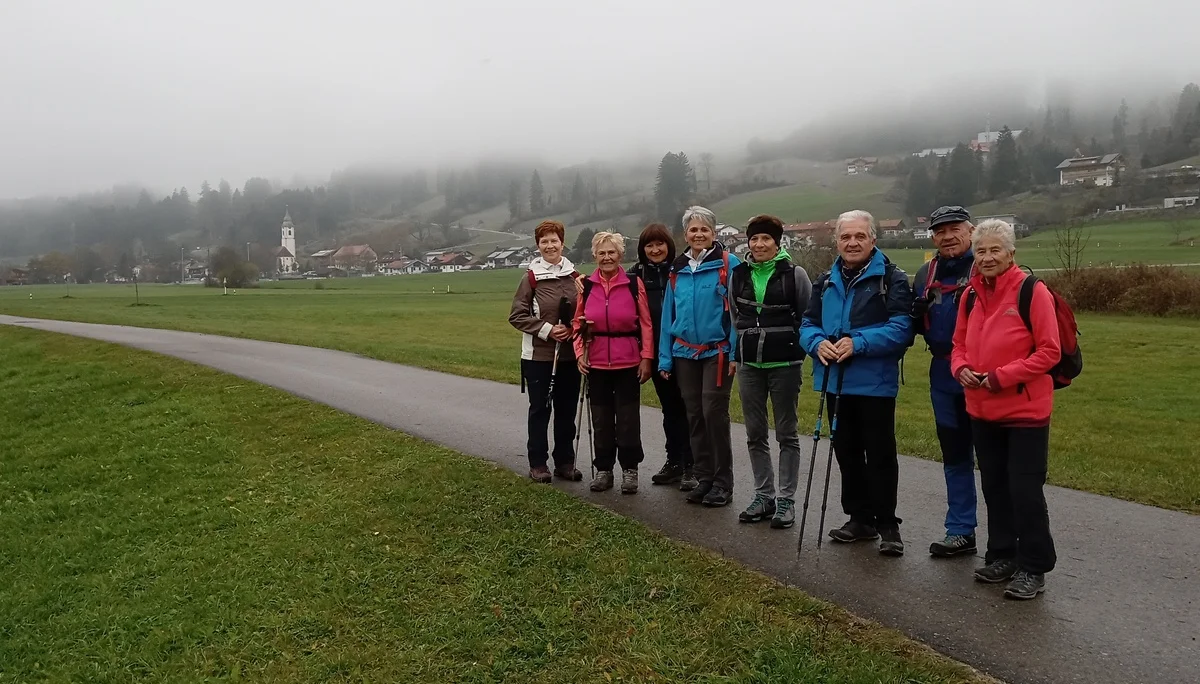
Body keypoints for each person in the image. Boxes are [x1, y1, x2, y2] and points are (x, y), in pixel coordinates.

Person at [951, 218, 1061, 600]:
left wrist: (1000, 376)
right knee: (995, 486)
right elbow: (958, 344)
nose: (987, 257)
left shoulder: (1032, 291)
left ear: (1012, 253)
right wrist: (961, 368)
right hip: (981, 409)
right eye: (980, 251)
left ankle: (1034, 566)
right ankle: (1002, 554)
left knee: (1025, 489)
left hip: (1025, 411)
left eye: (995, 250)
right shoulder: (969, 295)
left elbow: (1050, 351)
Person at [800, 210, 913, 556]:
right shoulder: (824, 280)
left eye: (860, 236)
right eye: (846, 237)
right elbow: (807, 323)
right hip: (835, 382)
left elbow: (902, 329)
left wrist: (858, 343)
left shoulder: (891, 278)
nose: (852, 243)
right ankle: (859, 518)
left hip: (874, 383)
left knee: (879, 454)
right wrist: (817, 343)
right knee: (846, 452)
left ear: (873, 240)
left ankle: (888, 524)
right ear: (837, 241)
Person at [729, 214, 812, 529]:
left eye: (766, 239)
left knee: (787, 434)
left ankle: (786, 500)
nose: (759, 244)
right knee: (754, 434)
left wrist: (798, 352)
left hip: (785, 365)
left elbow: (806, 315)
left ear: (777, 243)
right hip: (750, 365)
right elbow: (737, 318)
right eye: (754, 239)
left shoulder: (795, 274)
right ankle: (764, 496)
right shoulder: (737, 274)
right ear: (747, 242)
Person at [658, 205, 741, 507]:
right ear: (685, 234)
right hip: (684, 354)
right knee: (693, 415)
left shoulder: (728, 265)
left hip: (717, 353)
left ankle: (722, 482)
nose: (699, 234)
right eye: (693, 229)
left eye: (704, 229)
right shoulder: (677, 270)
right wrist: (665, 358)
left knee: (713, 414)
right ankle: (704, 477)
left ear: (714, 233)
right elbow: (669, 315)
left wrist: (734, 351)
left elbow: (738, 312)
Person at [912, 206, 979, 557]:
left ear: (971, 230)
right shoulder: (926, 273)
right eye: (940, 231)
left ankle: (1004, 540)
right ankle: (960, 530)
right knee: (954, 455)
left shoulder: (986, 265)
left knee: (996, 459)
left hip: (983, 377)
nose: (948, 236)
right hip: (942, 374)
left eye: (955, 229)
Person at [573, 231, 655, 494]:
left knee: (629, 420)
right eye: (601, 253)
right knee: (602, 419)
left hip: (628, 361)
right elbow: (578, 323)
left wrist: (647, 357)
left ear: (621, 255)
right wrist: (578, 354)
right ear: (594, 256)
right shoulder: (586, 286)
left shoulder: (633, 284)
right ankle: (604, 470)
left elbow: (646, 324)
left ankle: (630, 470)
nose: (607, 257)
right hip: (595, 362)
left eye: (612, 253)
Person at [508, 219, 584, 483]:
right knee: (540, 410)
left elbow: (584, 311)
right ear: (538, 245)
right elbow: (517, 316)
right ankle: (538, 463)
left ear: (562, 243)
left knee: (567, 410)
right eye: (544, 241)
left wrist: (575, 328)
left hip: (570, 356)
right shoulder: (530, 278)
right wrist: (548, 330)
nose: (550, 245)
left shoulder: (575, 276)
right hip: (539, 357)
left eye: (554, 240)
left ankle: (565, 461)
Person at [628, 223, 697, 491]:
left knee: (689, 408)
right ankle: (675, 461)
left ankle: (693, 465)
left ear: (669, 245)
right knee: (670, 409)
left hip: (685, 350)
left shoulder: (681, 271)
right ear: (642, 249)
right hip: (655, 352)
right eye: (649, 245)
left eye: (660, 244)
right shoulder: (635, 275)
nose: (655, 250)